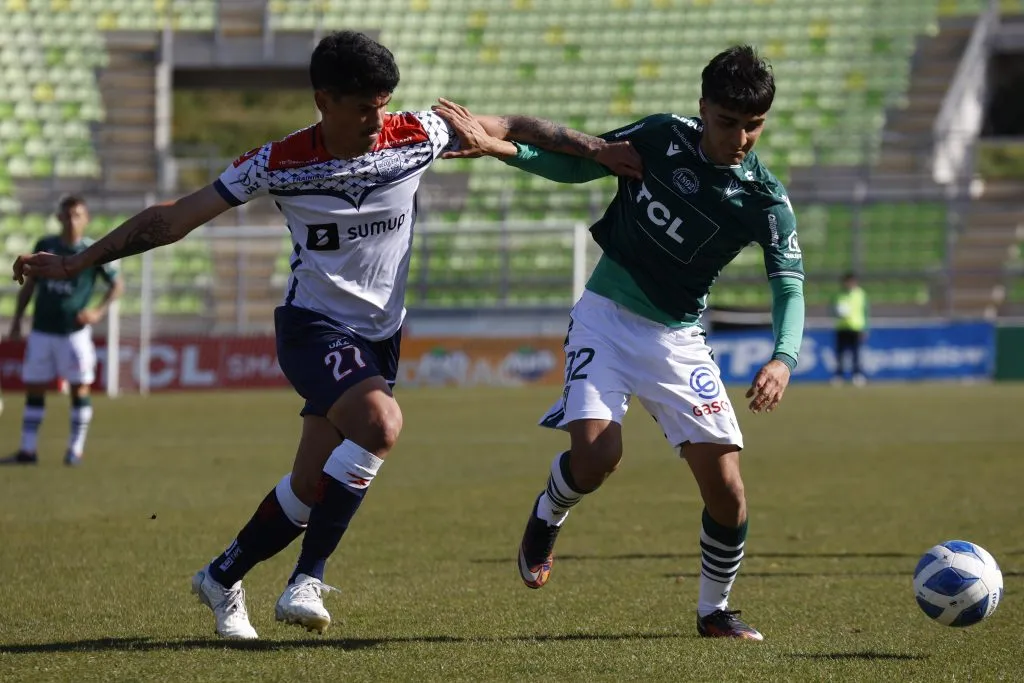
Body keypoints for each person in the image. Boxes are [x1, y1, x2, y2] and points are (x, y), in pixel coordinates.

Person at [12, 31, 636, 640]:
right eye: (363, 107)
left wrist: (599, 150)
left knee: (311, 485)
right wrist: (74, 263)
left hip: (380, 337)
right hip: (312, 327)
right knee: (381, 424)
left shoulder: (417, 134)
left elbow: (518, 127)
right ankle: (306, 580)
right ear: (323, 101)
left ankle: (222, 576)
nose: (376, 119)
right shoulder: (279, 163)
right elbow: (172, 219)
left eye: (383, 104)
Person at [433, 44, 805, 641]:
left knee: (728, 490)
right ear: (703, 107)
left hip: (678, 338)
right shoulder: (661, 137)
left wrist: (783, 359)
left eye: (753, 126)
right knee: (598, 459)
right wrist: (505, 150)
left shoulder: (765, 200)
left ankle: (714, 611)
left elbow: (789, 286)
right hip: (605, 317)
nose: (739, 138)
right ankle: (547, 512)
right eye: (727, 122)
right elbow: (583, 164)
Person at [3, 195, 122, 467]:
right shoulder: (46, 246)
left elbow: (117, 285)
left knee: (79, 388)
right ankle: (27, 450)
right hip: (42, 330)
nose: (71, 221)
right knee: (34, 387)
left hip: (74, 334)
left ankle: (75, 450)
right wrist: (17, 320)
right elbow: (30, 285)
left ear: (86, 219)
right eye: (67, 215)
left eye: (77, 215)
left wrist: (97, 311)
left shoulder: (93, 251)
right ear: (59, 218)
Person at [832, 272, 868, 386]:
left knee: (856, 354)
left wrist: (866, 328)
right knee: (840, 353)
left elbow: (866, 312)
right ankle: (839, 375)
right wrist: (837, 312)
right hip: (842, 327)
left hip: (856, 327)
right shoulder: (838, 295)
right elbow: (832, 310)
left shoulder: (861, 294)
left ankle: (857, 375)